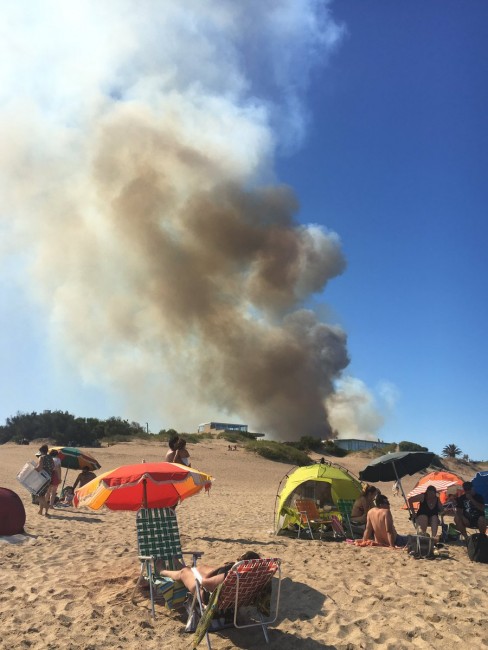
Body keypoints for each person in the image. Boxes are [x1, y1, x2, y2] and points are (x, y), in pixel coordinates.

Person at [159, 551, 261, 596]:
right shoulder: (253, 577)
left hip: (207, 594)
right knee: (202, 567)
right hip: (234, 599)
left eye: (238, 559)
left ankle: (162, 571)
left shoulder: (234, 576)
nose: (236, 560)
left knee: (184, 572)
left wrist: (221, 568)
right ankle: (184, 567)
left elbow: (205, 582)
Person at [34, 445, 55, 516]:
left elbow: (39, 468)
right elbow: (53, 467)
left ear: (41, 451)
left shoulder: (41, 457)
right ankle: (41, 511)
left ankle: (46, 507)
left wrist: (34, 469)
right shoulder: (50, 458)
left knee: (38, 495)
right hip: (49, 478)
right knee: (42, 495)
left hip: (42, 478)